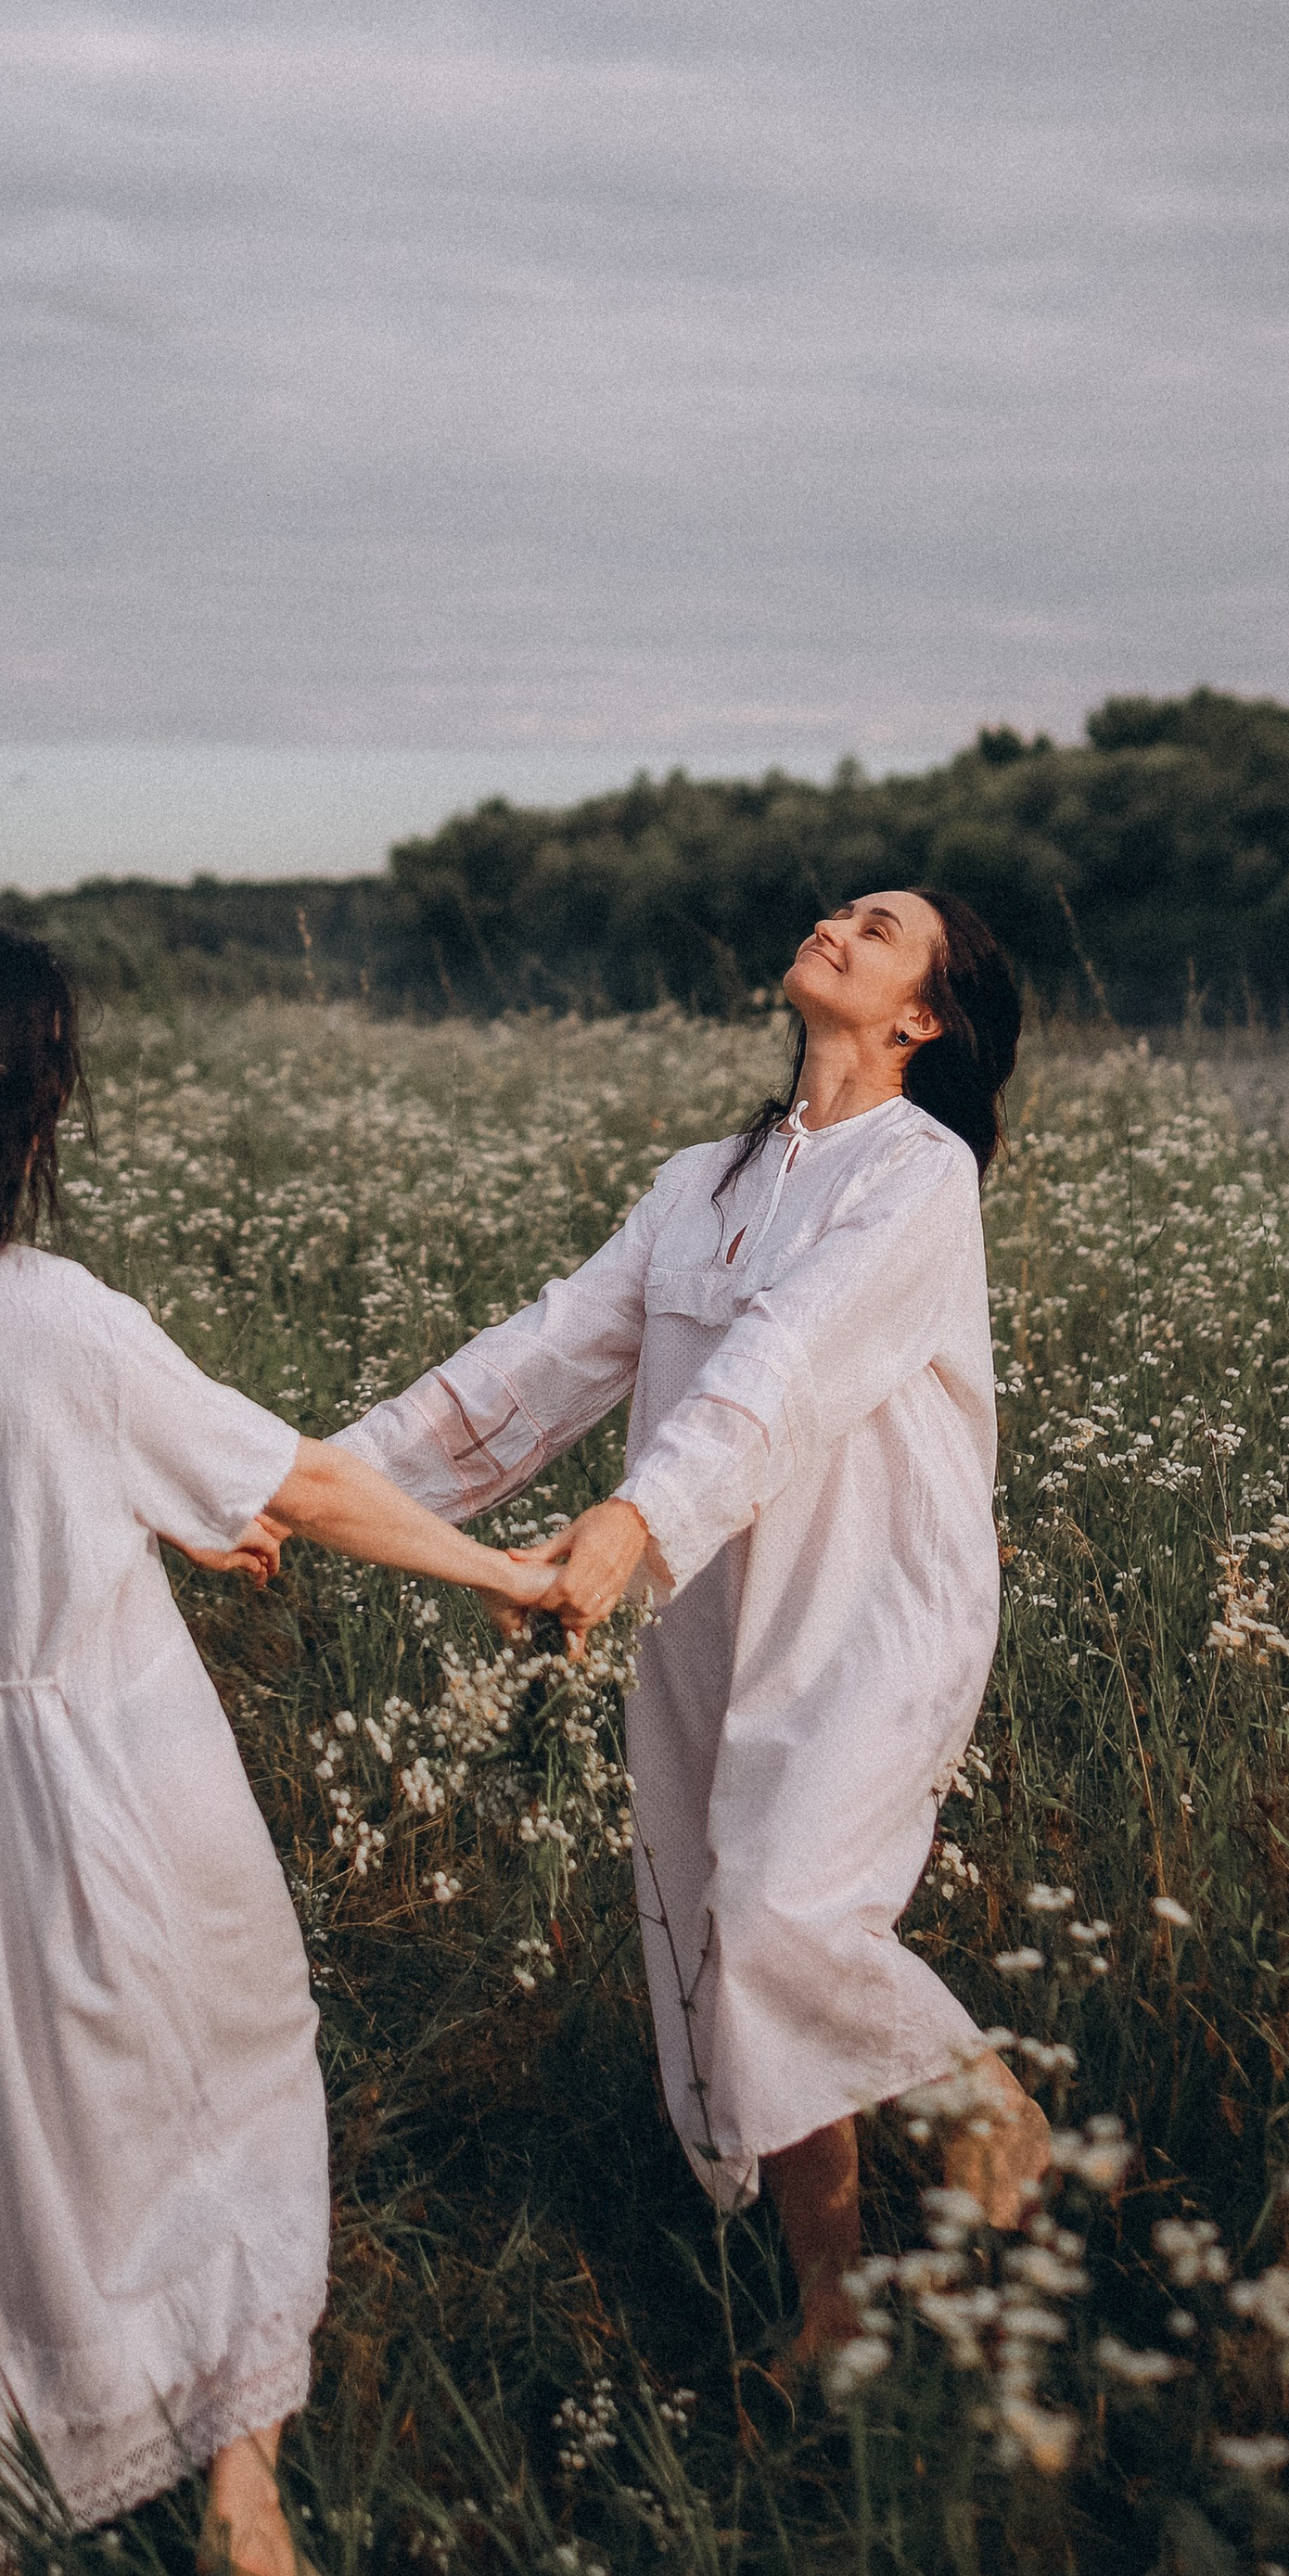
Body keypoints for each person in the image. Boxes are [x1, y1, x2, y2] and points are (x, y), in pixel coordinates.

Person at [0, 907, 542, 2576]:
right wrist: (503, 1569)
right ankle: (236, 2486)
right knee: (219, 2082)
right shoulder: (60, 1318)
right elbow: (305, 1487)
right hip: (97, 1779)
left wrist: (156, 1518)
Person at [335, 888, 1050, 2355]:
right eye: (840, 910)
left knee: (790, 1906)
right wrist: (309, 1486)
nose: (837, 925)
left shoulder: (917, 1173)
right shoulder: (699, 1186)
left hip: (870, 1604)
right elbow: (536, 1363)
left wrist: (635, 1523)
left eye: (882, 927)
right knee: (730, 1932)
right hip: (711, 1598)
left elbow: (783, 1366)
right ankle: (834, 2305)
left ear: (924, 1016)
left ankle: (989, 2106)